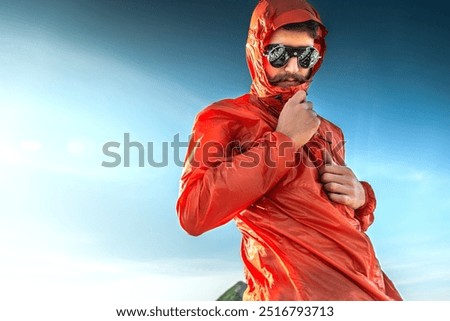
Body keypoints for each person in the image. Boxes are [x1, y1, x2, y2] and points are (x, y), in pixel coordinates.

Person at [176, 0, 402, 301]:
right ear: (258, 51)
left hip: (372, 289)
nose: (293, 68)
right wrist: (284, 141)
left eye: (306, 55)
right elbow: (194, 212)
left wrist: (361, 198)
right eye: (279, 54)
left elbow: (335, 218)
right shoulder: (224, 118)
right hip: (294, 297)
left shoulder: (330, 131)